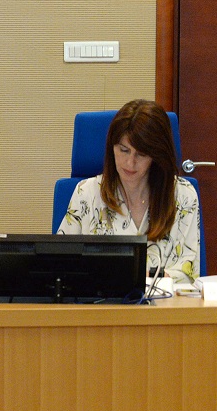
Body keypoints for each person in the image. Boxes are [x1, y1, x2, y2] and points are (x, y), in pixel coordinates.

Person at [58, 99, 201, 283]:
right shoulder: (86, 193)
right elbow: (60, 265)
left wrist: (145, 280)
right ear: (112, 148)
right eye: (124, 150)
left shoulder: (183, 195)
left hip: (165, 301)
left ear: (156, 155)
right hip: (100, 300)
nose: (130, 163)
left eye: (141, 154)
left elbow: (189, 276)